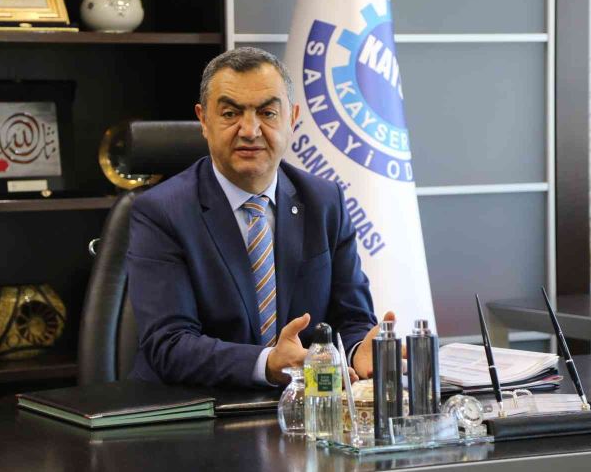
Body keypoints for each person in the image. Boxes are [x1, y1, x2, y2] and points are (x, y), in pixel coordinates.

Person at [127, 47, 393, 388]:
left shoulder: (325, 201)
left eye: (267, 113)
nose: (250, 130)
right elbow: (170, 344)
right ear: (203, 120)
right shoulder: (162, 211)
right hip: (196, 406)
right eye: (230, 113)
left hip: (305, 404)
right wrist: (267, 363)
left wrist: (357, 353)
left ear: (292, 118)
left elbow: (352, 318)